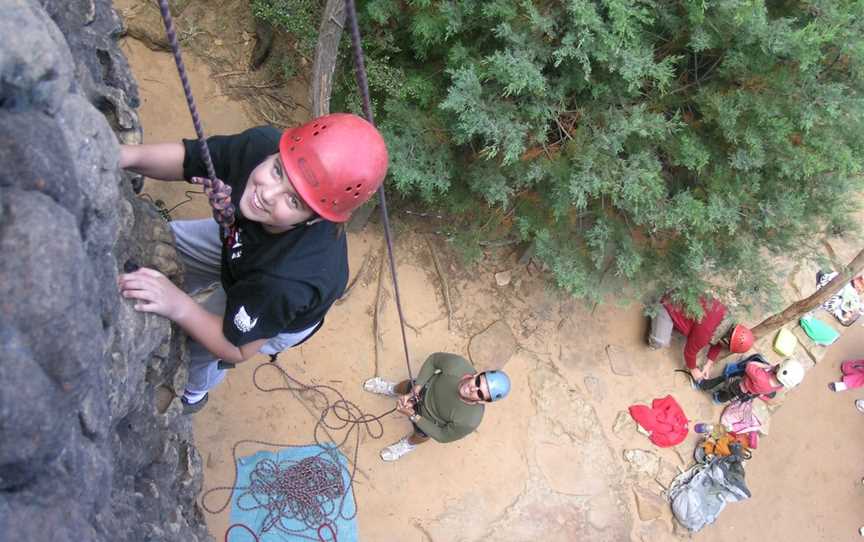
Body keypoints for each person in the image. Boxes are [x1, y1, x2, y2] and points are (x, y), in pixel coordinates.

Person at [118, 113, 388, 414]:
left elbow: (236, 346)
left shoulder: (288, 282)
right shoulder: (259, 147)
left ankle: (194, 392)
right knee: (167, 244)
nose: (267, 194)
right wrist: (123, 155)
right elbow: (188, 158)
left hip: (271, 298)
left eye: (294, 202)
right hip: (243, 238)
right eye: (277, 171)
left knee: (197, 348)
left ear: (314, 220)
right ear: (276, 151)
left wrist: (178, 305)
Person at [363, 352, 511, 461]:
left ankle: (407, 444)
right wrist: (418, 387)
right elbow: (434, 361)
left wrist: (413, 416)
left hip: (430, 421)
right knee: (407, 385)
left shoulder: (469, 421)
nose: (473, 389)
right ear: (478, 374)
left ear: (483, 402)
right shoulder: (457, 366)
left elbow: (442, 435)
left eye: (480, 394)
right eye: (478, 382)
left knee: (421, 435)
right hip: (423, 390)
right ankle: (391, 389)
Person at [648, 295, 754, 380]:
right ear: (726, 341)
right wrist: (693, 370)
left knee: (690, 327)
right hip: (666, 303)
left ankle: (677, 320)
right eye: (727, 346)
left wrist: (709, 364)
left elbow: (719, 343)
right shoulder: (705, 334)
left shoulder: (726, 315)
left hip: (682, 292)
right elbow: (689, 353)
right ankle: (654, 312)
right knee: (660, 342)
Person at [699, 358, 804, 404]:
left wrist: (764, 366)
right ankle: (718, 400)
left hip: (738, 384)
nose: (777, 364)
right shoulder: (779, 386)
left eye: (779, 366)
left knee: (724, 379)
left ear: (779, 370)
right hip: (747, 392)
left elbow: (750, 365)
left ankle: (705, 386)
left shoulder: (760, 376)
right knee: (728, 396)